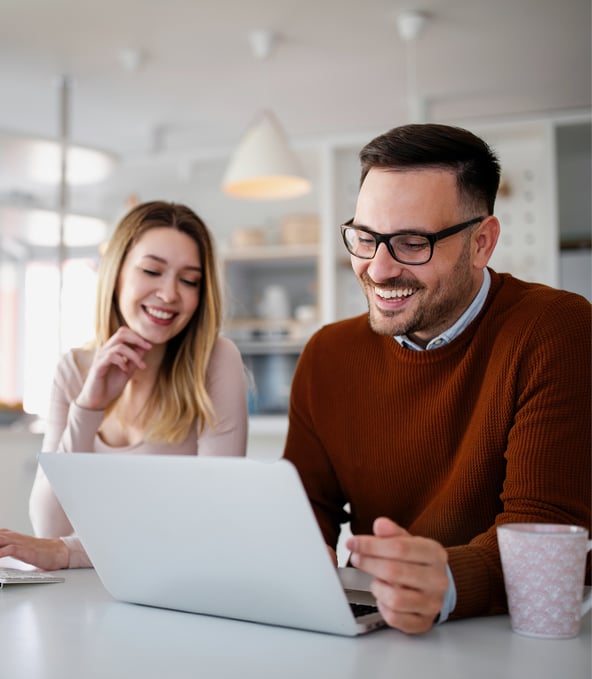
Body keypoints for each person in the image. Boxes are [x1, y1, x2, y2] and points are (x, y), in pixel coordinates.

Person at [283, 123, 591, 635]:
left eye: (411, 242)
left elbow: (546, 525)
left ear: (481, 243)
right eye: (365, 237)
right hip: (374, 632)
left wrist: (448, 582)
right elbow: (305, 506)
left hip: (511, 636)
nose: (378, 269)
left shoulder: (556, 329)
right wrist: (291, 566)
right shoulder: (327, 354)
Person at [0, 201, 248, 570]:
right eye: (152, 271)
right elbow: (50, 526)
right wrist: (88, 408)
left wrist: (70, 552)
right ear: (116, 274)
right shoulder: (74, 370)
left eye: (189, 280)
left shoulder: (215, 361)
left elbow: (209, 523)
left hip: (181, 587)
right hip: (86, 592)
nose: (169, 294)